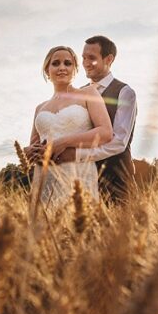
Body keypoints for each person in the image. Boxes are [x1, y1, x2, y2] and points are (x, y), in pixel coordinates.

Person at [26, 46, 113, 208]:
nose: (61, 68)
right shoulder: (40, 108)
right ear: (47, 70)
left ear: (75, 69)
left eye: (68, 63)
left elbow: (105, 132)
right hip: (45, 177)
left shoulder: (89, 93)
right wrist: (28, 151)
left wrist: (64, 142)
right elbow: (34, 145)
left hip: (78, 175)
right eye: (55, 63)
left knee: (79, 226)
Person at [55, 35, 137, 202]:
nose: (85, 62)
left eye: (91, 58)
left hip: (116, 180)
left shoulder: (124, 92)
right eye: (83, 57)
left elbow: (119, 142)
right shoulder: (79, 93)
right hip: (81, 183)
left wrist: (77, 155)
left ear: (108, 59)